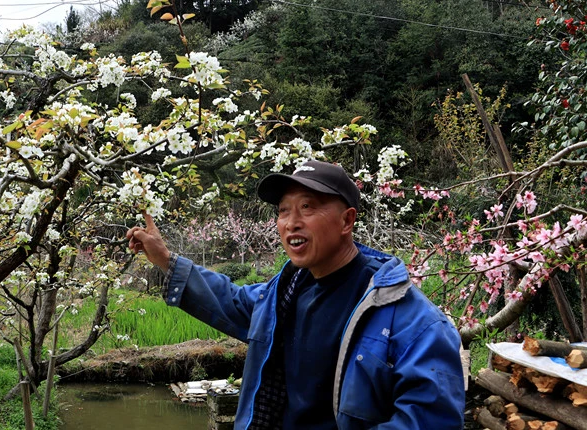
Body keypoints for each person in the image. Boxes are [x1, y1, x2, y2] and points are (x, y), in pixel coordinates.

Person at [126, 160, 465, 429]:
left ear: (347, 221)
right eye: (283, 211)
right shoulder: (283, 294)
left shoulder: (412, 320)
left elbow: (428, 418)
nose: (291, 222)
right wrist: (165, 260)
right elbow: (230, 301)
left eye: (307, 207)